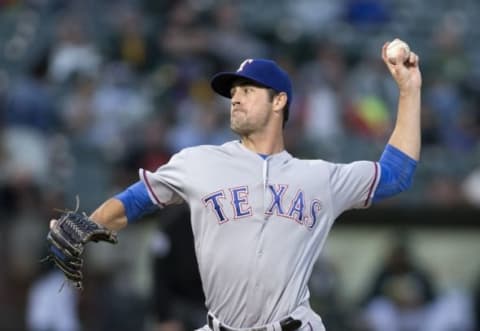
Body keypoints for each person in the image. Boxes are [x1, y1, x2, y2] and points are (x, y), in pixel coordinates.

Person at [49, 40, 422, 331]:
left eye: (248, 89)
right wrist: (93, 223)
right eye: (234, 90)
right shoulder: (198, 162)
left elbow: (396, 175)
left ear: (280, 101)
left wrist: (408, 91)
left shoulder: (319, 177)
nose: (236, 96)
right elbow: (137, 199)